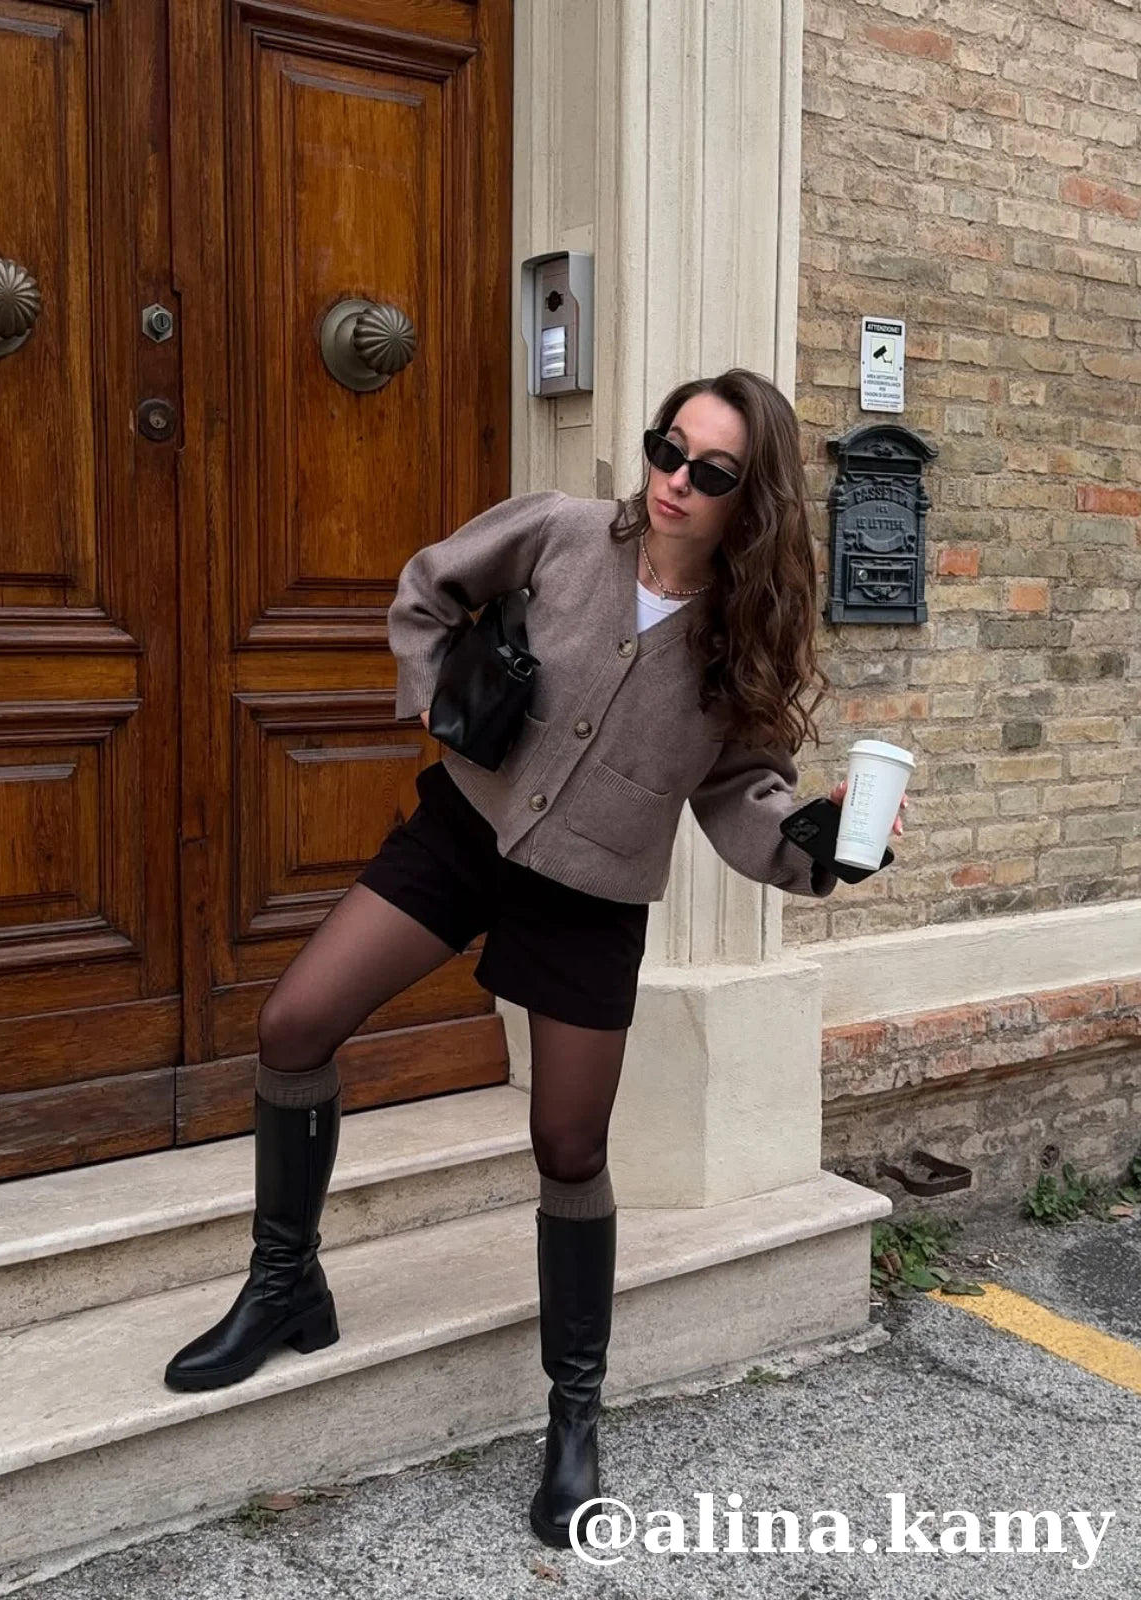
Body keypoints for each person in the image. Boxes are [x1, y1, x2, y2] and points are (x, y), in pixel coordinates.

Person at [163, 368, 907, 1551]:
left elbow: (740, 792)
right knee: (293, 1024)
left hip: (592, 897)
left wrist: (817, 844)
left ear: (750, 496)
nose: (674, 479)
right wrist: (434, 696)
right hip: (463, 834)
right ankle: (285, 1284)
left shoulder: (743, 637)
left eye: (710, 469)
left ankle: (573, 1417)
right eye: (667, 448)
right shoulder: (561, 530)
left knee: (569, 1144)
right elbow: (429, 587)